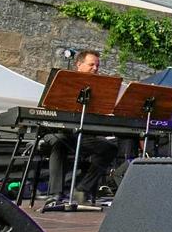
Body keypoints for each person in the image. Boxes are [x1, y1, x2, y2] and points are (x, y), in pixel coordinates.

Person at [41, 50, 118, 206]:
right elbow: (48, 107)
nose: (95, 68)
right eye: (91, 65)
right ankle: (56, 194)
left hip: (80, 134)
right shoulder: (63, 82)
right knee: (59, 140)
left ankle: (82, 188)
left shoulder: (99, 88)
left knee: (109, 147)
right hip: (56, 131)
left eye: (97, 65)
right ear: (79, 64)